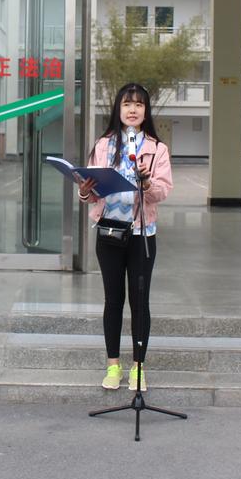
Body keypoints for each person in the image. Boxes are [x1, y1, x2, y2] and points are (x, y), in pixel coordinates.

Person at [76, 83, 173, 392]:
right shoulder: (103, 145)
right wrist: (84, 191)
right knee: (113, 300)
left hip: (142, 234)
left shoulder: (157, 149)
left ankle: (138, 368)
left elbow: (163, 191)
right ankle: (113, 366)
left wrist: (146, 183)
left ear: (146, 111)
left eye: (139, 105)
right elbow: (93, 193)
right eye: (127, 104)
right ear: (118, 110)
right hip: (109, 232)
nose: (133, 110)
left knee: (140, 301)